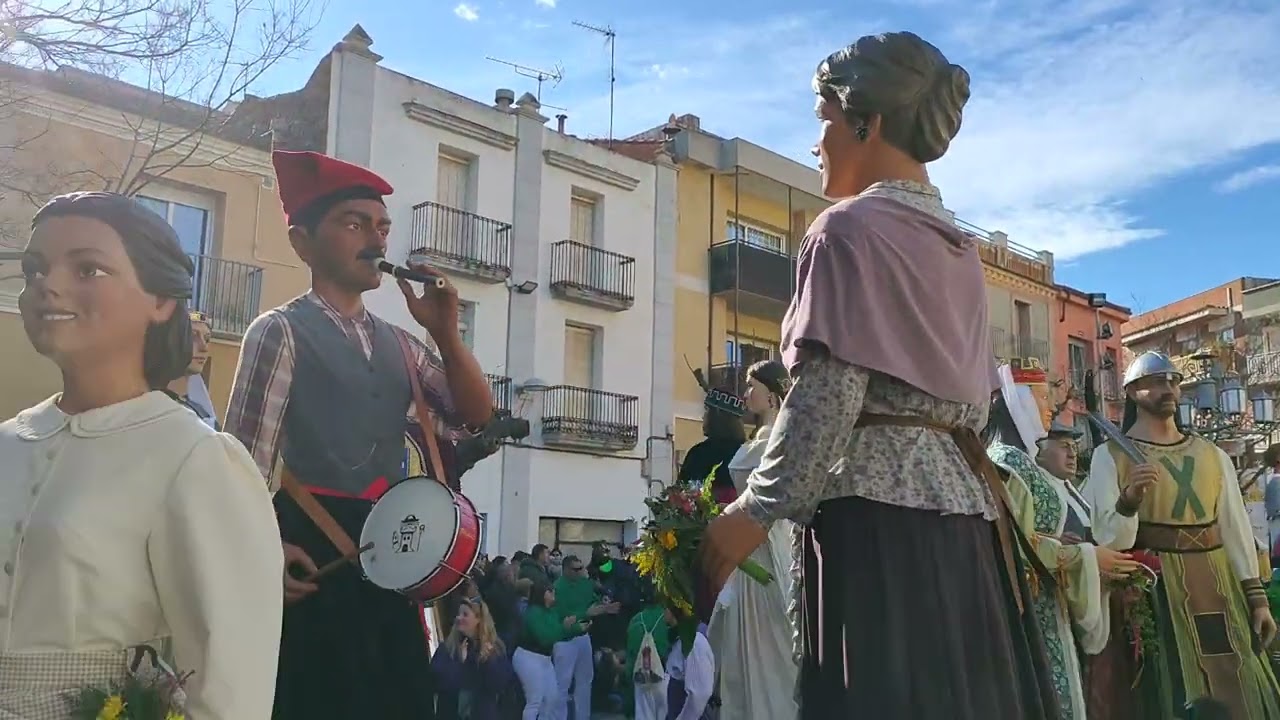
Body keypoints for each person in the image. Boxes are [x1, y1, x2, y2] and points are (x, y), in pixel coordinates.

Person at [698, 32, 1060, 719]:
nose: (816, 143)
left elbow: (827, 397)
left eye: (823, 121)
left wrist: (754, 508)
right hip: (968, 527)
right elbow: (975, 410)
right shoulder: (960, 250)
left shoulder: (845, 230)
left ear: (867, 120)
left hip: (880, 530)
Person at [224, 150, 494, 719]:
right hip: (309, 550)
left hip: (390, 552)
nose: (375, 240)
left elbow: (475, 417)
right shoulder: (279, 332)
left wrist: (446, 332)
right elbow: (240, 468)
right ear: (303, 242)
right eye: (354, 224)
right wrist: (265, 547)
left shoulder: (403, 343)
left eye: (382, 227)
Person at [0, 191, 282, 717]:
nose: (48, 286)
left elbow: (230, 683)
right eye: (36, 270)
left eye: (88, 269)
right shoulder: (9, 442)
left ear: (161, 301)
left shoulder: (193, 458)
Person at [1086, 350, 1280, 718]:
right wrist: (1130, 499)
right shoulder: (1109, 456)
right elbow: (1111, 542)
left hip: (1218, 586)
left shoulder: (1212, 455)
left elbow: (1236, 529)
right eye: (1158, 382)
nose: (1169, 388)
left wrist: (1257, 599)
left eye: (1174, 381)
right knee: (1167, 693)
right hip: (1154, 590)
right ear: (1132, 392)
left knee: (1236, 688)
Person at [987, 367, 1132, 719]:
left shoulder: (1022, 463)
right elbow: (1016, 547)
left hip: (1047, 602)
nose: (1049, 407)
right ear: (1016, 402)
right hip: (1025, 607)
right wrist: (1084, 556)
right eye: (1039, 397)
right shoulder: (1006, 462)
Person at [706, 359, 799, 720]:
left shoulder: (784, 438)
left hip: (767, 542)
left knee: (771, 643)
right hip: (747, 551)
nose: (746, 393)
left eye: (751, 386)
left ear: (773, 395)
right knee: (742, 651)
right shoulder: (759, 439)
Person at [430, 596, 516, 720]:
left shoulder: (494, 647)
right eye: (458, 614)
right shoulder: (447, 648)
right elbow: (439, 682)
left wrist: (488, 661)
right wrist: (460, 663)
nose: (459, 618)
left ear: (479, 620)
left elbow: (500, 684)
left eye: (465, 614)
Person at [518, 578, 589, 720]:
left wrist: (577, 628)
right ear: (542, 594)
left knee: (552, 697)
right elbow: (546, 637)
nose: (553, 594)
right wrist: (566, 628)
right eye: (550, 591)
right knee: (535, 701)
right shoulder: (533, 613)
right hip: (528, 657)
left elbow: (559, 631)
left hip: (544, 659)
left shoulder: (551, 611)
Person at [678, 369, 748, 504]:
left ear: (716, 416)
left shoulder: (698, 454)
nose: (703, 417)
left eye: (707, 411)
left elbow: (681, 496)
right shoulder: (747, 453)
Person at [165, 309, 219, 429]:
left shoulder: (204, 415)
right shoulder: (151, 406)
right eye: (193, 336)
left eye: (207, 339)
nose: (204, 347)